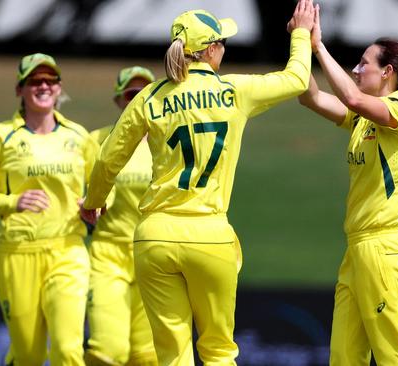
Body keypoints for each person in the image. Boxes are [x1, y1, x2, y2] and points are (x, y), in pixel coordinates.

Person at [79, 1, 315, 363]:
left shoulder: (150, 96)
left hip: (155, 236)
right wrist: (300, 34)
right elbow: (297, 78)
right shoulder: (235, 90)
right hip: (209, 235)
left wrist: (94, 201)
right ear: (211, 50)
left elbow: (108, 159)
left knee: (172, 354)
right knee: (219, 350)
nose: (225, 48)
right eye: (222, 41)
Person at [297, 7, 398, 366]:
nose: (357, 71)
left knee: (396, 356)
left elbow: (353, 99)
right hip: (358, 249)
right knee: (345, 357)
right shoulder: (364, 119)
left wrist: (319, 47)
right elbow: (309, 96)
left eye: (364, 64)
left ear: (387, 72)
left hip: (387, 247)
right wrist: (299, 40)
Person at [0, 53, 97, 365]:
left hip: (68, 250)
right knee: (28, 355)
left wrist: (98, 205)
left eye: (51, 80)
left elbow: (105, 184)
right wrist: (13, 202)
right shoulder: (1, 136)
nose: (44, 86)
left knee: (68, 349)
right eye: (35, 81)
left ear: (60, 88)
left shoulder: (79, 136)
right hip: (18, 252)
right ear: (20, 89)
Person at [85, 66, 158, 366]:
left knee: (147, 356)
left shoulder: (165, 141)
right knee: (107, 351)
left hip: (152, 255)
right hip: (108, 254)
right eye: (131, 94)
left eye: (145, 93)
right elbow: (83, 186)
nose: (137, 99)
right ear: (118, 100)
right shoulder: (96, 140)